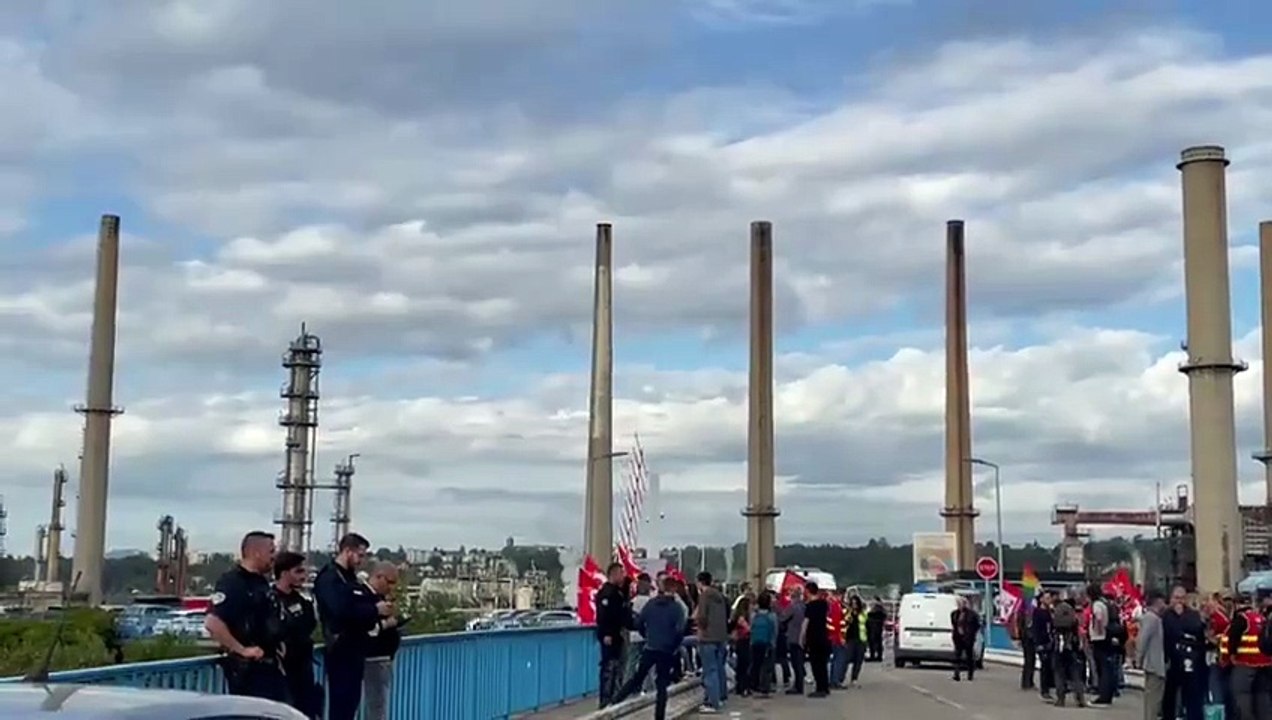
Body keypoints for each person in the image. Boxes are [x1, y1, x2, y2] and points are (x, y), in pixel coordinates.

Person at [314, 532, 392, 720]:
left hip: (355, 650)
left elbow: (358, 605)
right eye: (360, 555)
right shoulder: (330, 578)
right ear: (347, 551)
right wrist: (374, 610)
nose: (361, 561)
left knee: (350, 706)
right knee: (342, 706)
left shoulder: (349, 579)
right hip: (341, 649)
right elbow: (340, 610)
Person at [205, 531, 287, 702]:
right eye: (271, 551)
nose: (274, 557)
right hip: (250, 672)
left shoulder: (260, 582)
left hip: (270, 667)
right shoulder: (233, 582)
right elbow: (213, 622)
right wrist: (241, 650)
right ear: (256, 552)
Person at [606, 576, 686, 720]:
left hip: (650, 647)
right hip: (666, 650)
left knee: (637, 677)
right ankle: (659, 717)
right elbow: (680, 630)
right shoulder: (676, 608)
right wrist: (674, 646)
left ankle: (615, 701)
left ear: (662, 588)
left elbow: (639, 623)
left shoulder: (651, 604)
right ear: (674, 589)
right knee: (662, 684)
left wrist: (647, 636)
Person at [273, 551, 320, 718]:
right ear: (284, 573)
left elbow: (309, 626)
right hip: (282, 672)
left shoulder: (303, 602)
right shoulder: (270, 601)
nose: (304, 576)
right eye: (298, 571)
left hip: (304, 670)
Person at [363, 562, 404, 720]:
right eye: (390, 582)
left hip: (383, 658)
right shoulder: (365, 597)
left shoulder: (380, 598)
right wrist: (386, 624)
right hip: (373, 658)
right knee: (376, 706)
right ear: (378, 576)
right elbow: (365, 627)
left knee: (379, 705)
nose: (391, 587)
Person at [1163, 585, 1208, 720]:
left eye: (1182, 598)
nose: (1179, 602)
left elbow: (1197, 629)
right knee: (1170, 694)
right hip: (1173, 661)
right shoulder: (1166, 615)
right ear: (1171, 599)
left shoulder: (1192, 614)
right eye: (1176, 598)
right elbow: (1170, 632)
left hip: (1192, 660)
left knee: (1192, 695)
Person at [1226, 592, 1272, 720]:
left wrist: (1231, 656)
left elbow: (1232, 639)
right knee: (1263, 699)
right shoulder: (1264, 619)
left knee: (1242, 697)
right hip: (1265, 665)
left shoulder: (1242, 619)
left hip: (1245, 664)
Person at [594, 562, 631, 707]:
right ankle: (606, 699)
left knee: (618, 667)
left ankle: (614, 698)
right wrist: (607, 633)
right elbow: (604, 615)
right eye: (621, 573)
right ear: (613, 574)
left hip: (618, 634)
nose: (623, 577)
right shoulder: (607, 593)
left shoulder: (618, 593)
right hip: (610, 635)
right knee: (609, 667)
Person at [695, 572, 729, 713]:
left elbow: (702, 616)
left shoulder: (704, 596)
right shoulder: (720, 596)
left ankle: (712, 703)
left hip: (708, 636)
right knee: (719, 668)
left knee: (710, 670)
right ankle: (721, 695)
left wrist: (700, 629)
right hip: (721, 636)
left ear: (700, 582)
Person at [1051, 593, 1086, 708]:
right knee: (1075, 673)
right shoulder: (1072, 613)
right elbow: (1076, 630)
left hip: (1058, 647)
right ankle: (1080, 698)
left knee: (1059, 673)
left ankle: (1060, 698)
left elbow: (1052, 629)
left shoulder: (1056, 613)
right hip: (1071, 646)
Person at [1137, 590, 1167, 720]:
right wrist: (1139, 657)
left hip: (1153, 664)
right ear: (1158, 601)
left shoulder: (1152, 618)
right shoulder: (1151, 618)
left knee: (1153, 699)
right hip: (1154, 665)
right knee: (1153, 700)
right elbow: (1143, 639)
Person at [801, 582, 831, 698]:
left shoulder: (810, 606)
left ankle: (820, 688)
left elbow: (806, 622)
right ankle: (825, 686)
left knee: (816, 664)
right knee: (823, 663)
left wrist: (802, 637)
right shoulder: (823, 604)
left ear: (808, 591)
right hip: (823, 636)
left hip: (813, 637)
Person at [749, 591, 778, 697]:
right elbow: (775, 631)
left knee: (755, 664)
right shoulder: (772, 616)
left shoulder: (754, 615)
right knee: (767, 666)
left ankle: (753, 684)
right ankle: (765, 687)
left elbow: (751, 628)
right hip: (768, 643)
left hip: (755, 643)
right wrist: (773, 643)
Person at [779, 584, 806, 694]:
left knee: (796, 663)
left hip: (793, 637)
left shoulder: (792, 607)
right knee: (800, 662)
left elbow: (783, 618)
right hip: (802, 637)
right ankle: (799, 684)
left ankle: (798, 687)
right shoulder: (804, 606)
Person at [1032, 591, 1056, 702]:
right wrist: (1038, 644)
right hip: (1042, 643)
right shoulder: (1037, 612)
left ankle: (1049, 688)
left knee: (1050, 666)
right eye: (1046, 598)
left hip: (1050, 642)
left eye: (1049, 598)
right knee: (1045, 666)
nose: (1049, 600)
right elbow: (1036, 630)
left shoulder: (1050, 612)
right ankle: (1044, 690)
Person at [950, 595, 980, 682]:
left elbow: (977, 625)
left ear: (965, 604)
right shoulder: (954, 614)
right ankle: (956, 674)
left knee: (969, 656)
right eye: (958, 604)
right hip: (958, 637)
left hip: (968, 638)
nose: (960, 605)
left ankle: (970, 674)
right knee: (957, 656)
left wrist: (972, 633)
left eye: (961, 603)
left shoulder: (972, 614)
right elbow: (954, 624)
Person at [729, 595, 753, 696]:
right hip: (744, 641)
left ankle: (740, 686)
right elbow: (747, 628)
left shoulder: (736, 616)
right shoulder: (742, 618)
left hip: (740, 641)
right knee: (744, 665)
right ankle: (744, 687)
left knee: (741, 665)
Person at [844, 595, 867, 687]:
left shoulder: (863, 613)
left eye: (856, 603)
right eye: (852, 603)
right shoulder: (847, 612)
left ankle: (854, 678)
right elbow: (845, 621)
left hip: (861, 639)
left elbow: (866, 623)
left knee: (858, 660)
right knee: (847, 658)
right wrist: (849, 612)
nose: (854, 605)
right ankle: (841, 677)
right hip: (850, 639)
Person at [865, 598, 887, 663]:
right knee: (877, 641)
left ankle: (874, 656)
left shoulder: (876, 610)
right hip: (876, 626)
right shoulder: (881, 610)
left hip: (874, 626)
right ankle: (877, 656)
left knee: (873, 641)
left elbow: (869, 615)